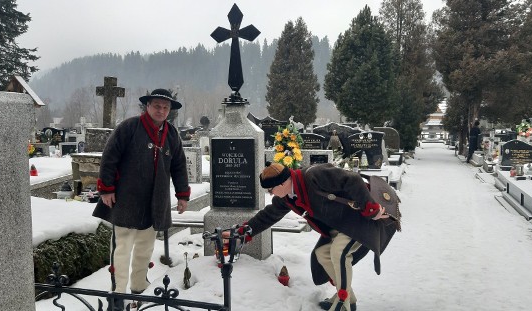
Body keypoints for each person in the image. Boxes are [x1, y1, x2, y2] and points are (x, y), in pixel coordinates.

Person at [229, 162, 396, 311]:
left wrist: (370, 207)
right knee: (322, 253)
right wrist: (244, 232)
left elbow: (352, 179)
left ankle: (342, 303)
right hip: (340, 225)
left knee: (339, 253)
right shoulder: (287, 197)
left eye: (270, 189)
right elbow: (268, 215)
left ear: (281, 183)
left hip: (358, 218)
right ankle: (347, 297)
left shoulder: (314, 174)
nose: (271, 193)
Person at [92, 88, 190, 311]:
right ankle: (117, 294)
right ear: (148, 106)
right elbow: (110, 157)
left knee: (145, 247)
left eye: (165, 107)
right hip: (126, 198)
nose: (161, 110)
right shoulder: (130, 127)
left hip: (155, 202)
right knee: (122, 247)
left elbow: (179, 166)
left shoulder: (172, 134)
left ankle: (138, 286)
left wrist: (182, 194)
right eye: (157, 106)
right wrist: (106, 189)